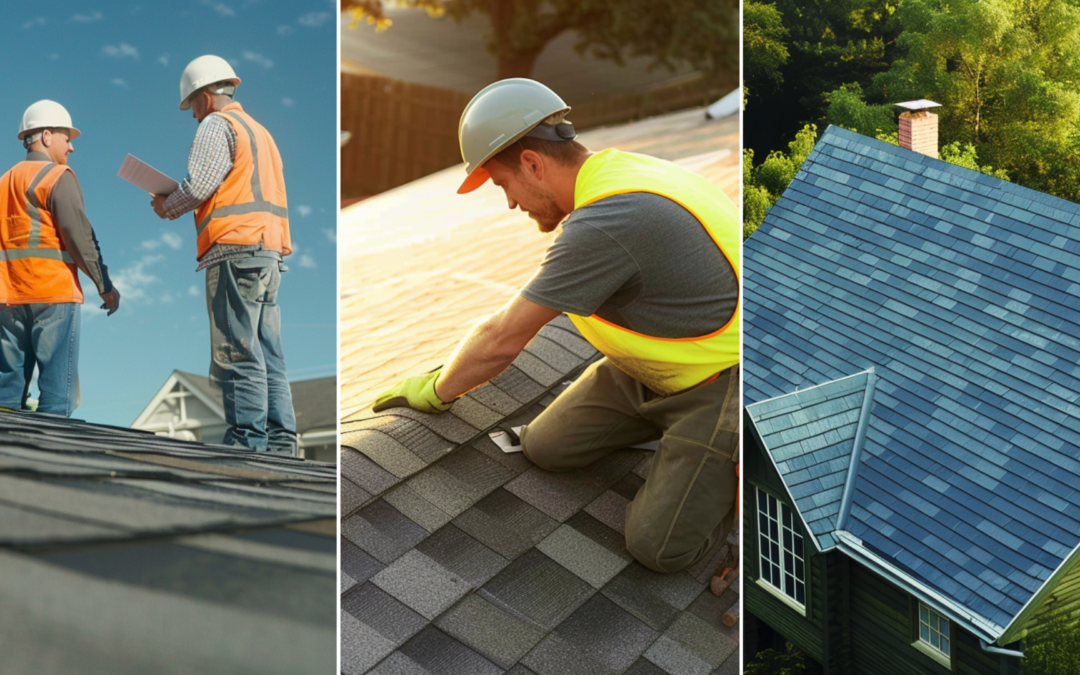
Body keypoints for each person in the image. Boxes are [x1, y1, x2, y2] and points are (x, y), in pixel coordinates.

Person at [374, 78, 740, 574]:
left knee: (659, 548)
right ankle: (671, 441)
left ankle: (732, 491)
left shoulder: (610, 220)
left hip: (721, 382)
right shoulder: (616, 172)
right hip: (648, 369)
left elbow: (503, 340)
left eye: (503, 185)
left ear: (531, 164)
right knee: (546, 448)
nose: (508, 202)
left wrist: (438, 390)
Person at [150, 55, 297, 455]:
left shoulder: (218, 125)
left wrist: (167, 205)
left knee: (237, 349)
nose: (193, 115)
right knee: (268, 353)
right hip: (268, 251)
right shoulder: (260, 131)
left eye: (192, 105)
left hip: (234, 249)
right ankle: (282, 443)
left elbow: (199, 185)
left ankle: (247, 441)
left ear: (204, 97)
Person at [0, 100, 120, 416]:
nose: (71, 148)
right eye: (67, 138)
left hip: (7, 299)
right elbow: (79, 236)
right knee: (56, 397)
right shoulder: (56, 176)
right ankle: (50, 465)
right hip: (52, 295)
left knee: (6, 398)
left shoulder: (3, 183)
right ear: (47, 135)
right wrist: (104, 284)